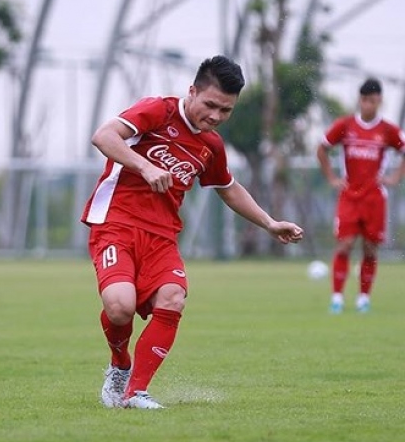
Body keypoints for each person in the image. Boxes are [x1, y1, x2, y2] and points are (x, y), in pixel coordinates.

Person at [84, 55, 303, 409]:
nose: (216, 116)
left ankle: (135, 392)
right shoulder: (158, 110)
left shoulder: (211, 145)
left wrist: (269, 222)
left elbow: (228, 187)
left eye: (226, 110)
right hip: (115, 224)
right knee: (120, 307)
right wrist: (144, 166)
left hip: (162, 237)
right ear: (192, 92)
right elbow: (104, 136)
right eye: (211, 105)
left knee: (172, 297)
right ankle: (119, 364)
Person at [316, 78, 405, 314]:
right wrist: (332, 178)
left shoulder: (387, 130)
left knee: (370, 248)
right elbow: (322, 148)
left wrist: (395, 177)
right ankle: (337, 297)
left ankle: (363, 298)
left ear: (379, 101)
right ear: (360, 100)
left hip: (375, 198)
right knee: (344, 245)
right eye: (365, 100)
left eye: (373, 101)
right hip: (349, 196)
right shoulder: (345, 125)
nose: (368, 105)